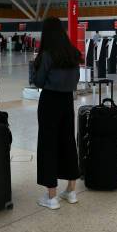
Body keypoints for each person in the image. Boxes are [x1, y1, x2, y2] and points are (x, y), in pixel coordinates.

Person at [32, 17, 80, 210]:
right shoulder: (72, 53)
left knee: (48, 143)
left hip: (49, 101)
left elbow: (38, 81)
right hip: (67, 101)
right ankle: (71, 191)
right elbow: (76, 80)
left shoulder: (47, 54)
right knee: (68, 141)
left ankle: (51, 196)